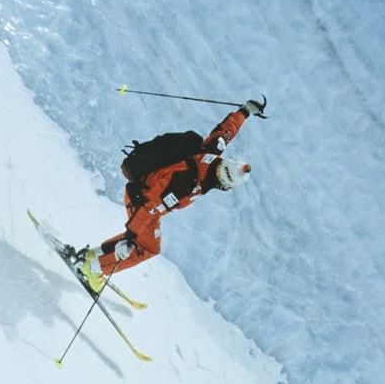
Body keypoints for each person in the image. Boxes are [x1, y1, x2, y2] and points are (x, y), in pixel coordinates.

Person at [75, 98, 266, 291]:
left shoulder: (212, 153)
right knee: (146, 247)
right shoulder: (185, 184)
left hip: (147, 199)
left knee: (144, 240)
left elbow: (227, 130)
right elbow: (150, 207)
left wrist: (246, 111)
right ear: (223, 182)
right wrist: (130, 238)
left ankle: (92, 257)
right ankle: (91, 268)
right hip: (141, 199)